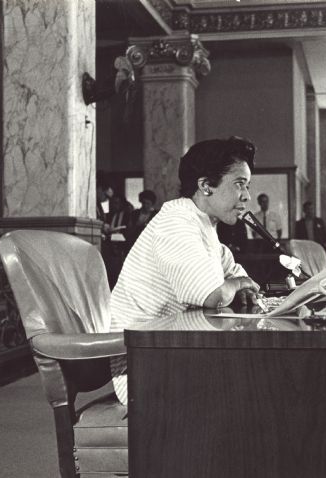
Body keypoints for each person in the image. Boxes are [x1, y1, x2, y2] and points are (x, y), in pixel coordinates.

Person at [109, 137, 261, 405]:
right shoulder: (177, 222)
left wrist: (240, 283)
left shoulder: (203, 223)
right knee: (258, 382)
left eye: (247, 186)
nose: (247, 196)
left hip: (173, 350)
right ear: (205, 186)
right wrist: (238, 284)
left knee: (259, 378)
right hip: (144, 368)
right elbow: (214, 295)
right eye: (239, 184)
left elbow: (232, 268)